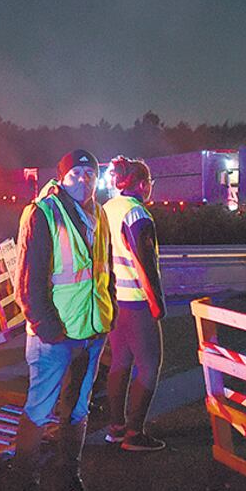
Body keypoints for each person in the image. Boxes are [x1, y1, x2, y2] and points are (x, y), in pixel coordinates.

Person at [11, 149, 117, 491]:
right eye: (77, 173)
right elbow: (29, 281)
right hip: (54, 337)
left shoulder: (99, 213)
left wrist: (110, 310)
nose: (85, 180)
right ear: (62, 177)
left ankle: (67, 485)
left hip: (91, 331)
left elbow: (105, 269)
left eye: (91, 173)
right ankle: (24, 490)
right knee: (39, 411)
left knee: (77, 410)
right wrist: (49, 329)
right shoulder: (44, 212)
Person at [102, 156, 167, 451]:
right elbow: (145, 263)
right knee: (149, 366)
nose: (150, 188)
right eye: (149, 183)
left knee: (120, 361)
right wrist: (157, 304)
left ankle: (115, 428)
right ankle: (134, 434)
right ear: (142, 184)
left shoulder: (106, 209)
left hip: (114, 300)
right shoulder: (137, 214)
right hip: (137, 303)